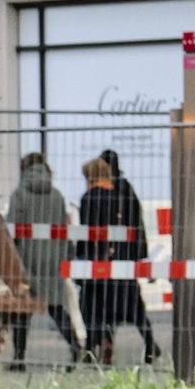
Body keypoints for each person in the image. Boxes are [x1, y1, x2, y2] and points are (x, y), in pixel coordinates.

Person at [5, 152, 82, 366]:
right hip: (53, 259)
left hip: (26, 259)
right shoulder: (57, 195)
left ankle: (19, 358)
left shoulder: (19, 194)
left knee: (22, 312)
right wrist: (65, 255)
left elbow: (12, 228)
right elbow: (63, 228)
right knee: (57, 308)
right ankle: (75, 346)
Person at [76, 156, 151, 366]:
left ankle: (96, 346)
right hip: (120, 258)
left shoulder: (88, 198)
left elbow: (86, 233)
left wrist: (80, 257)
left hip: (95, 260)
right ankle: (150, 343)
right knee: (133, 306)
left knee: (91, 305)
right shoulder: (120, 196)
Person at [96, 147, 161, 362]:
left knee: (105, 304)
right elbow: (138, 224)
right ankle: (150, 344)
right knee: (134, 305)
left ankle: (108, 348)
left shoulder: (103, 190)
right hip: (126, 256)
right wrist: (139, 253)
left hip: (108, 256)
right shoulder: (127, 189)